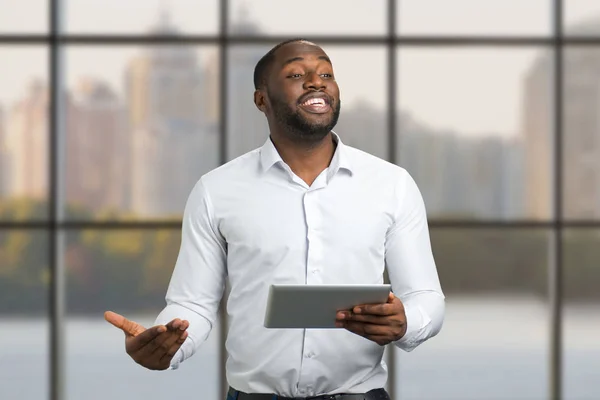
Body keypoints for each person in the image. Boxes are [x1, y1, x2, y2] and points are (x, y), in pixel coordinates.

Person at [105, 38, 445, 400]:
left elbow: (426, 297)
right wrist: (168, 343)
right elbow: (194, 303)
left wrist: (407, 322)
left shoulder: (392, 185)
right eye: (297, 73)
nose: (317, 81)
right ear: (261, 99)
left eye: (326, 73)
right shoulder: (216, 190)